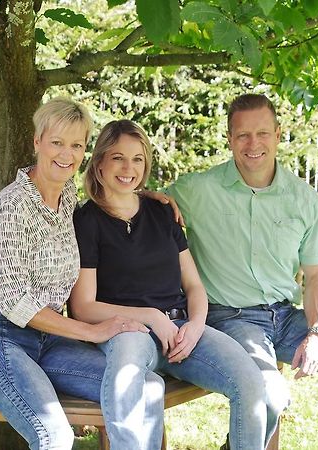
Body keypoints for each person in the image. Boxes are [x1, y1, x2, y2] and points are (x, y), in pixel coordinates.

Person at [164, 93, 318, 450]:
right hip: (230, 319)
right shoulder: (197, 189)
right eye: (243, 135)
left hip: (287, 319)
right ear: (229, 138)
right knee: (269, 395)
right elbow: (137, 202)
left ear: (278, 134)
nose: (253, 144)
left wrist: (317, 333)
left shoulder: (302, 198)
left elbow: (315, 277)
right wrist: (154, 198)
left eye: (263, 133)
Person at [0, 98, 148, 450]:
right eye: (57, 143)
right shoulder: (13, 206)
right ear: (37, 142)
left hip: (48, 342)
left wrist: (148, 198)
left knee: (144, 389)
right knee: (55, 436)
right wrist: (92, 330)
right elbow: (16, 305)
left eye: (76, 145)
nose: (67, 154)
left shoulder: (66, 196)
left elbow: (108, 192)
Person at [70, 119, 270, 450]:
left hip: (181, 330)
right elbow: (83, 306)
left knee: (251, 383)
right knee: (126, 385)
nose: (128, 168)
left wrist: (195, 324)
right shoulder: (87, 221)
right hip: (125, 331)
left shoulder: (161, 211)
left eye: (137, 159)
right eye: (118, 157)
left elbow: (193, 285)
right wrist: (149, 316)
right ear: (100, 161)